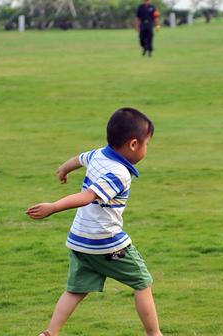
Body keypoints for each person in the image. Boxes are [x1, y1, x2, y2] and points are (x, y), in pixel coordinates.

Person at [26, 108, 161, 336]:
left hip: (80, 241)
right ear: (134, 144)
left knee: (75, 291)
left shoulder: (99, 154)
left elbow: (80, 159)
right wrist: (54, 207)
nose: (147, 149)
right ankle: (155, 334)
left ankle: (50, 333)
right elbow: (88, 196)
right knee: (142, 282)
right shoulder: (119, 173)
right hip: (106, 243)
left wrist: (64, 169)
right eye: (147, 144)